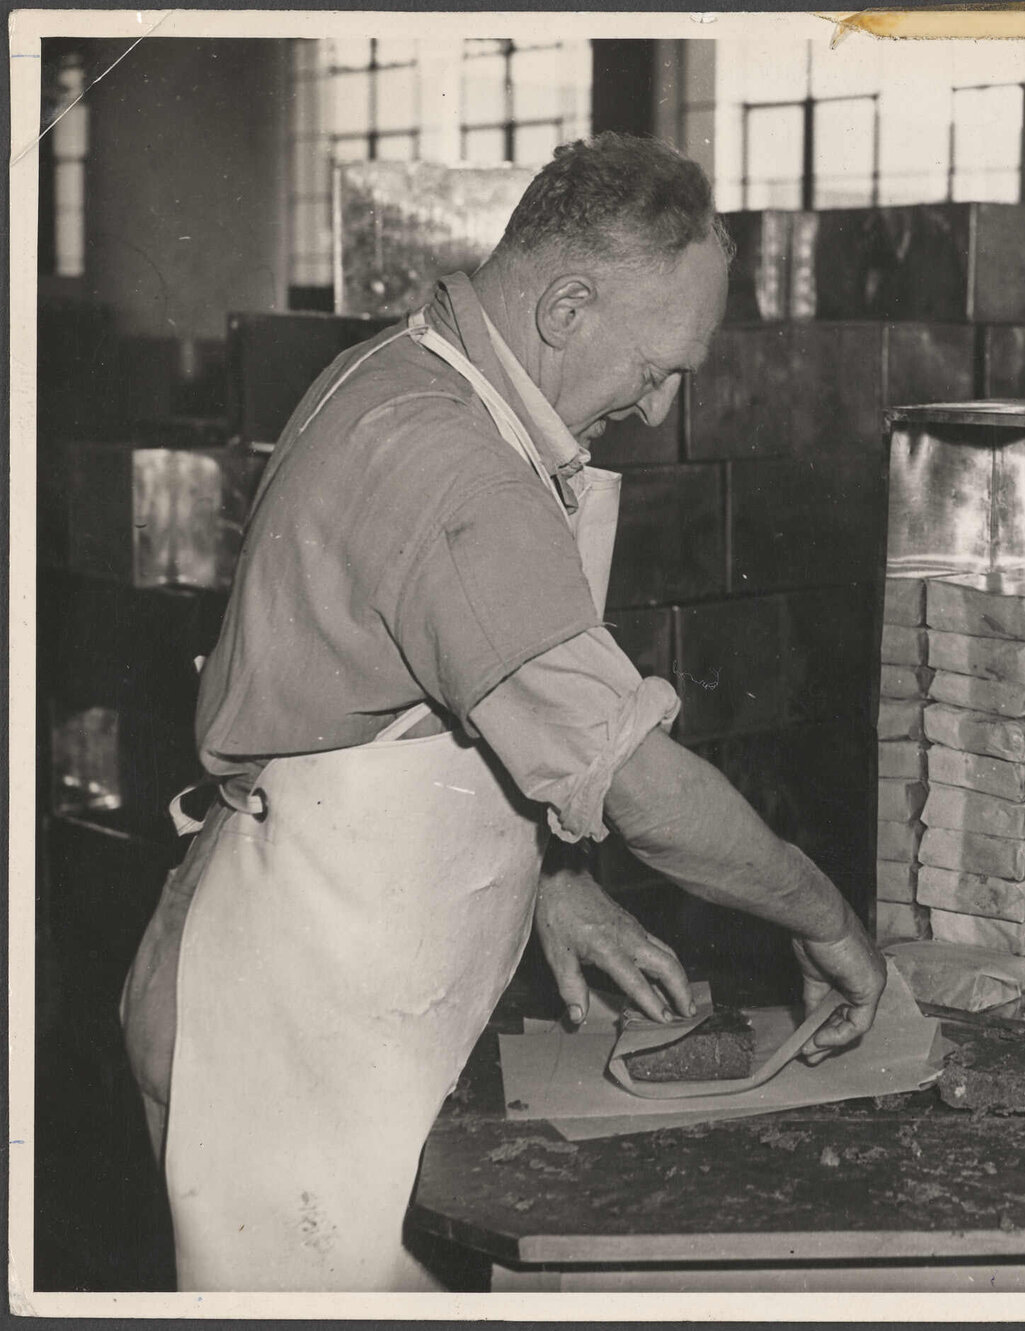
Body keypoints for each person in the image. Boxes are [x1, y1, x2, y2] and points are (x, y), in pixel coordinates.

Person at [118, 134, 888, 1293]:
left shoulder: (415, 371)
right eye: (662, 365)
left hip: (312, 985)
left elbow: (410, 702)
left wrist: (548, 883)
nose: (662, 403)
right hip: (278, 1035)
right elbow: (637, 781)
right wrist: (825, 918)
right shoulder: (452, 461)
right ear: (569, 303)